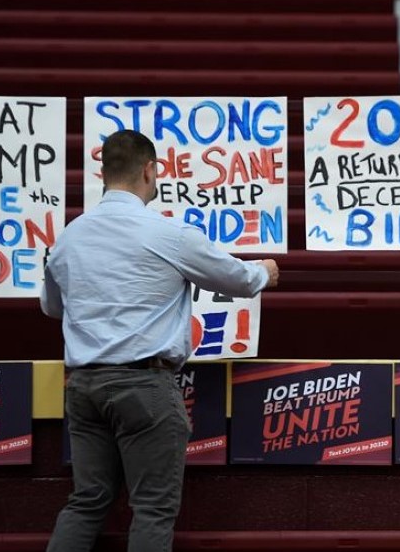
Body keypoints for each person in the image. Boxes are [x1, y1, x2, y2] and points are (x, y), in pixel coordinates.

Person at [40, 129, 278, 551]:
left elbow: (52, 308)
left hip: (83, 387)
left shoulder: (68, 238)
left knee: (87, 501)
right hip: (144, 386)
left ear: (103, 172)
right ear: (150, 170)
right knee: (152, 508)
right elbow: (239, 279)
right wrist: (265, 272)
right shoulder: (168, 233)